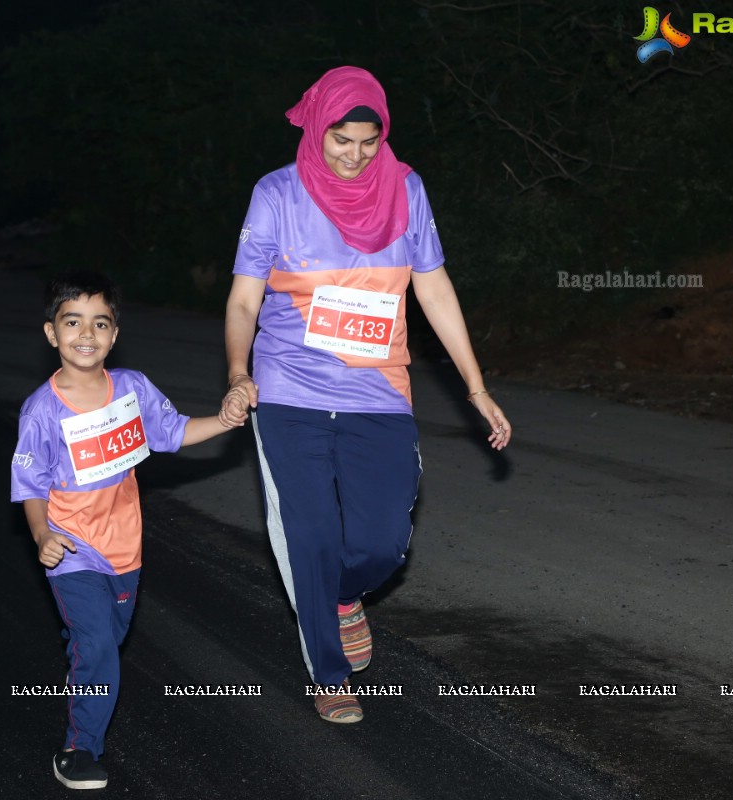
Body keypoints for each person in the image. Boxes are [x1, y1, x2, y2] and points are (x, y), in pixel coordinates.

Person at [219, 66, 512, 723]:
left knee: (382, 544)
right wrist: (240, 373)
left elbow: (433, 288)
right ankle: (329, 674)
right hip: (289, 388)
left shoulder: (406, 190)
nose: (353, 155)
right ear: (317, 129)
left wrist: (475, 385)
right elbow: (244, 298)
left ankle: (342, 597)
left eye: (367, 142)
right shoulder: (277, 194)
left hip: (376, 391)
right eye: (340, 140)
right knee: (312, 534)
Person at [11, 271, 247, 790]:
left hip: (126, 550)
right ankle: (79, 749)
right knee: (97, 647)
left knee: (103, 643)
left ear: (114, 335)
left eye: (100, 322)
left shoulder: (133, 389)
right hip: (72, 548)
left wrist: (226, 420)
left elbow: (175, 431)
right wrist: (40, 535)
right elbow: (29, 485)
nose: (86, 334)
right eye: (72, 322)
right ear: (52, 333)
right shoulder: (41, 411)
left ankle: (83, 643)